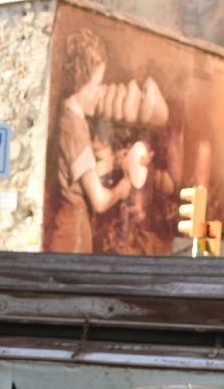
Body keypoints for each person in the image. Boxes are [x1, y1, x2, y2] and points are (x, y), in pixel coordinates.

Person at [47, 29, 151, 253]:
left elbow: (85, 172)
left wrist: (117, 162)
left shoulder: (73, 119)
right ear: (81, 82)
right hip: (72, 237)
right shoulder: (73, 128)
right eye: (96, 85)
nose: (100, 93)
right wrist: (122, 189)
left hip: (73, 229)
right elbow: (100, 200)